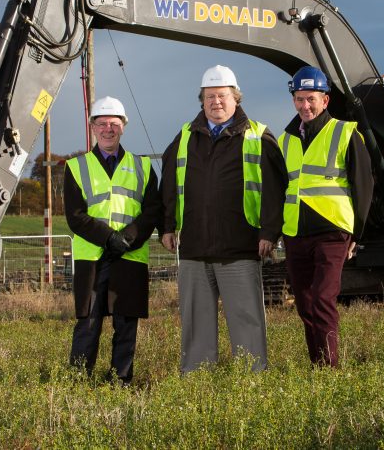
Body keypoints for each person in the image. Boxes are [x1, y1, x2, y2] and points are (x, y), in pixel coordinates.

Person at [160, 65, 287, 373]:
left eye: (222, 96)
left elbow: (275, 189)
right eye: (209, 96)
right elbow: (167, 185)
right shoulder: (185, 137)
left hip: (240, 247)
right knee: (195, 324)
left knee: (246, 320)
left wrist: (269, 232)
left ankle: (251, 382)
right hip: (195, 248)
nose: (216, 102)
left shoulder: (258, 136)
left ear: (236, 99)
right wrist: (166, 226)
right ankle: (198, 382)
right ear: (202, 101)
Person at [277, 66, 373, 367]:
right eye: (299, 99)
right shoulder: (285, 140)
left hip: (332, 231)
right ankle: (317, 364)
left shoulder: (345, 132)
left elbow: (364, 184)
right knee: (305, 303)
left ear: (325, 101)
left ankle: (329, 370)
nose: (305, 105)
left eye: (311, 99)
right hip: (294, 232)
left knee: (321, 298)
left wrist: (357, 234)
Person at [65, 95, 162, 385]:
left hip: (129, 256)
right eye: (102, 123)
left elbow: (153, 210)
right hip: (92, 258)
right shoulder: (75, 167)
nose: (109, 129)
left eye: (114, 123)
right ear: (93, 127)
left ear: (124, 127)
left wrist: (128, 238)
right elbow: (75, 216)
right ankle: (79, 381)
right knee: (88, 323)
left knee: (126, 322)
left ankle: (121, 380)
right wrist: (109, 238)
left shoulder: (142, 166)